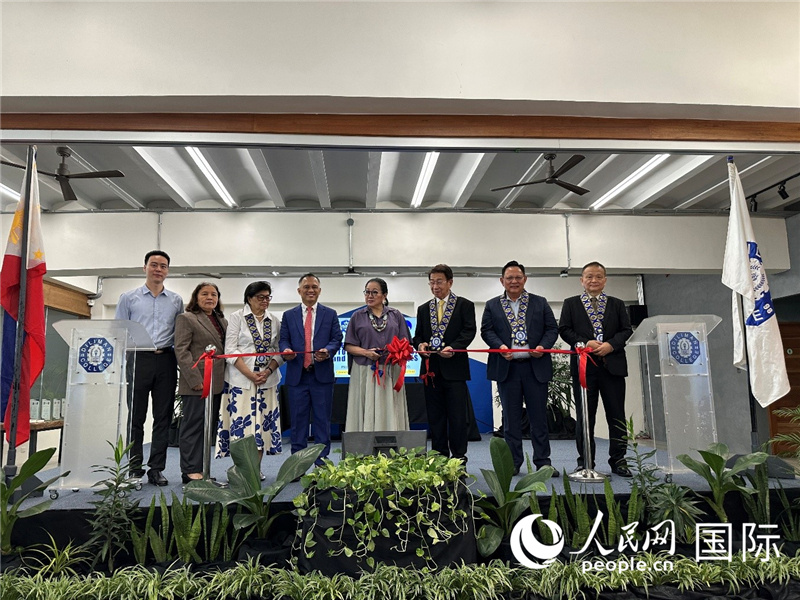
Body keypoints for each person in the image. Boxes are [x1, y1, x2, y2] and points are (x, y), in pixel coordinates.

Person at [481, 260, 559, 477]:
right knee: (511, 420)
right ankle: (513, 464)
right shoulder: (492, 305)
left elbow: (552, 329)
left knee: (539, 418)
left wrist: (543, 346)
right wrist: (500, 346)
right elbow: (486, 331)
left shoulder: (540, 302)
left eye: (518, 277)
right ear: (502, 281)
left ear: (525, 279)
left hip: (535, 367)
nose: (514, 281)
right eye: (509, 278)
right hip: (508, 369)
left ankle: (543, 462)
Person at [558, 261, 634, 477]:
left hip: (613, 367)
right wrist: (585, 343)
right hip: (584, 368)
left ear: (605, 280)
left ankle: (619, 461)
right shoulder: (571, 304)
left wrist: (611, 345)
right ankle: (585, 461)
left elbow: (626, 330)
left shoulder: (617, 304)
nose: (594, 280)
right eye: (589, 276)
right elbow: (564, 329)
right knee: (585, 417)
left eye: (598, 276)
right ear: (582, 280)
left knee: (616, 416)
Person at [115, 250, 184, 486]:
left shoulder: (176, 301)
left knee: (163, 417)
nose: (158, 269)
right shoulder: (128, 298)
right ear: (144, 267)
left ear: (167, 271)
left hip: (166, 359)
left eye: (163, 266)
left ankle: (156, 469)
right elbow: (119, 331)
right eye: (154, 264)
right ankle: (134, 469)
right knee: (136, 417)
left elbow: (179, 333)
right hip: (138, 358)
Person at [217, 282, 285, 477]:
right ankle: (241, 471)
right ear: (249, 298)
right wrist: (250, 374)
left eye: (267, 297)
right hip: (241, 382)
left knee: (262, 428)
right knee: (242, 427)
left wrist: (268, 371)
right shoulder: (237, 317)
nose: (265, 301)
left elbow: (279, 350)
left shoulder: (274, 320)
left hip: (267, 382)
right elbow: (230, 350)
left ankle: (255, 470)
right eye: (260, 297)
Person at [412, 264, 476, 460]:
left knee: (457, 418)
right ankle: (439, 459)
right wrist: (420, 345)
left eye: (439, 282)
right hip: (431, 371)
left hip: (455, 370)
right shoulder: (424, 309)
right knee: (435, 418)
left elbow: (469, 331)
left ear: (450, 282)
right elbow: (417, 336)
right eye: (431, 282)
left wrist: (453, 347)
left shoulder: (464, 305)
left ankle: (459, 459)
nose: (435, 286)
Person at [279, 274, 343, 464]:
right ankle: (297, 465)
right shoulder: (288, 315)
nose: (310, 290)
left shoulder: (330, 314)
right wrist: (286, 350)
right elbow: (284, 339)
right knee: (298, 423)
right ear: (299, 291)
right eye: (306, 287)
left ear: (319, 291)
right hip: (297, 376)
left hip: (321, 376)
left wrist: (328, 351)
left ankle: (322, 464)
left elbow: (337, 339)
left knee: (322, 421)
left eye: (314, 287)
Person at [174, 282, 227, 484]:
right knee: (193, 427)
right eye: (204, 294)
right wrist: (195, 379)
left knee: (207, 429)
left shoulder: (221, 320)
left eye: (214, 294)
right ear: (196, 297)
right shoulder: (187, 318)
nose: (209, 297)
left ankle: (203, 469)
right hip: (197, 384)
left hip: (216, 383)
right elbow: (181, 351)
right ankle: (190, 471)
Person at [344, 278, 412, 432]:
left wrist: (396, 353)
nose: (370, 296)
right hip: (364, 370)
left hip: (390, 370)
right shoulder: (357, 316)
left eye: (374, 292)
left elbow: (406, 343)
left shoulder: (396, 315)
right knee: (365, 406)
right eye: (367, 292)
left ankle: (393, 439)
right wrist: (366, 353)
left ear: (384, 295)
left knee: (390, 407)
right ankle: (364, 442)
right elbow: (348, 345)